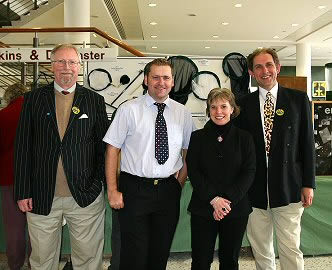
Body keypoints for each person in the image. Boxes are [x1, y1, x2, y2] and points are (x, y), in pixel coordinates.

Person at [14, 44, 109, 270]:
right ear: (51, 66)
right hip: (41, 195)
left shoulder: (94, 101)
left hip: (85, 196)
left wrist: (100, 185)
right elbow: (23, 148)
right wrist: (22, 191)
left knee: (88, 259)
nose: (67, 68)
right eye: (61, 62)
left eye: (72, 63)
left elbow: (103, 148)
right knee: (41, 260)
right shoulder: (32, 100)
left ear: (80, 67)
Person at [103, 58, 195, 270]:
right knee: (133, 256)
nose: (161, 82)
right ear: (145, 80)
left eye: (166, 77)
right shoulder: (128, 109)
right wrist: (112, 190)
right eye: (155, 77)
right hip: (134, 189)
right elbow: (112, 150)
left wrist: (178, 184)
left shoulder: (183, 113)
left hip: (167, 191)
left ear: (172, 82)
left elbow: (188, 151)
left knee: (160, 253)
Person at [235, 48, 315, 270]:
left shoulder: (298, 100)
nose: (265, 71)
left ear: (278, 68)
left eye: (269, 65)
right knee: (261, 250)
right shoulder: (242, 105)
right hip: (254, 191)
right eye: (258, 67)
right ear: (251, 72)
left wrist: (309, 184)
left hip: (289, 188)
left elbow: (307, 145)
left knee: (290, 248)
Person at [186, 88, 256, 270]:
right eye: (213, 107)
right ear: (208, 110)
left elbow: (249, 172)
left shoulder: (245, 138)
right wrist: (214, 200)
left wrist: (226, 201)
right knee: (200, 261)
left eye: (224, 106)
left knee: (230, 261)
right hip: (203, 207)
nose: (219, 112)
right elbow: (194, 171)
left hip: (236, 208)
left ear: (232, 109)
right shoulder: (197, 137)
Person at [0, 82, 31, 270]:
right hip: (35, 179)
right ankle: (36, 264)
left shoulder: (2, 116)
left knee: (14, 228)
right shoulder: (36, 115)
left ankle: (15, 265)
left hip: (8, 179)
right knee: (39, 227)